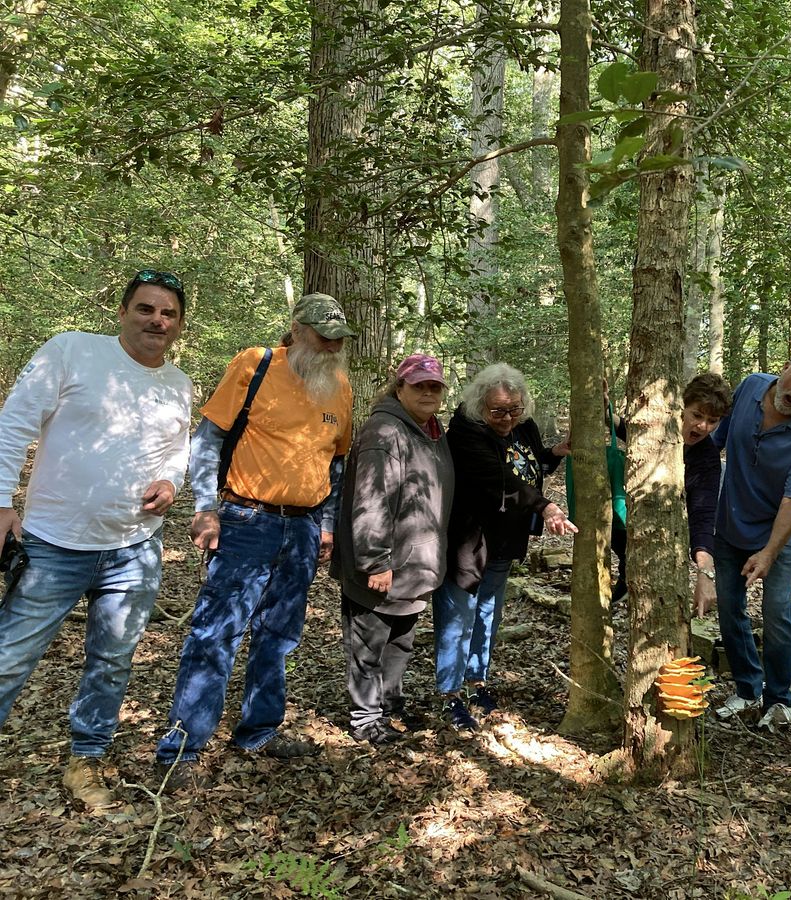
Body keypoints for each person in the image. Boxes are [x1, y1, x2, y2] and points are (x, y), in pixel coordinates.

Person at [0, 269, 192, 809]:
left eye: (168, 313)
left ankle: (87, 758)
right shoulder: (72, 351)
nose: (157, 319)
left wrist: (170, 482)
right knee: (10, 656)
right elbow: (14, 423)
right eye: (146, 308)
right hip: (52, 542)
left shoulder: (177, 384)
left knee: (111, 660)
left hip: (133, 548)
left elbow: (177, 451)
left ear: (178, 324)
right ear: (124, 311)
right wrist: (1, 502)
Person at [155, 292, 354, 786]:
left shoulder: (341, 386)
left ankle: (259, 730)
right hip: (246, 521)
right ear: (298, 329)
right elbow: (209, 439)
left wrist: (327, 522)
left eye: (339, 340)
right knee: (215, 632)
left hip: (304, 528)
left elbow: (336, 462)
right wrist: (205, 508)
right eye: (323, 336)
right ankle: (182, 749)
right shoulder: (256, 364)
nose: (332, 346)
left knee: (280, 635)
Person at [434, 363, 575, 732]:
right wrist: (545, 506)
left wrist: (554, 452)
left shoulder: (523, 426)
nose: (507, 418)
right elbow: (500, 479)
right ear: (480, 406)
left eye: (514, 408)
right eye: (498, 410)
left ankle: (477, 683)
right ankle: (450, 695)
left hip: (506, 541)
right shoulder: (464, 432)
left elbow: (529, 467)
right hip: (469, 541)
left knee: (488, 614)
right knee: (459, 617)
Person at [331, 354, 454, 745]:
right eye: (419, 385)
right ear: (399, 387)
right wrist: (375, 561)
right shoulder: (385, 431)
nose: (428, 392)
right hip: (384, 566)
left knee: (399, 642)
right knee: (369, 645)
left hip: (416, 566)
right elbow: (371, 500)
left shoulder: (433, 432)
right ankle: (366, 719)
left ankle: (388, 707)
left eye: (435, 386)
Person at [711, 347, 791, 730]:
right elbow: (715, 437)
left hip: (780, 533)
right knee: (730, 607)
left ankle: (779, 699)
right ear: (784, 369)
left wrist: (768, 552)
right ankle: (747, 689)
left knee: (777, 611)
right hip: (729, 520)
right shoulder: (750, 387)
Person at [606, 372, 733, 615]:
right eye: (697, 415)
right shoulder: (660, 424)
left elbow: (703, 517)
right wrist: (603, 410)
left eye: (713, 420)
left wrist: (705, 573)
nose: (703, 426)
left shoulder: (707, 458)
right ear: (682, 407)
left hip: (668, 535)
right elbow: (629, 430)